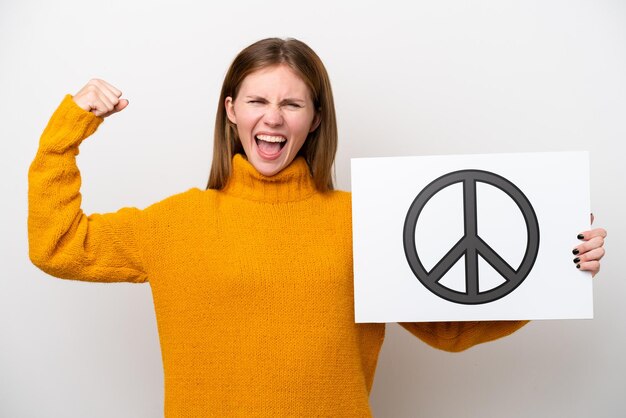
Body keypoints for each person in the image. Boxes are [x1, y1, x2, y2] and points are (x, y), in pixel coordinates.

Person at [28, 38, 607, 417]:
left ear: (315, 119)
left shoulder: (368, 221)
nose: (273, 117)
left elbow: (447, 329)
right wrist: (70, 127)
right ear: (231, 111)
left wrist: (558, 264)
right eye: (257, 100)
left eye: (292, 104)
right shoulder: (176, 223)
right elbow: (56, 245)